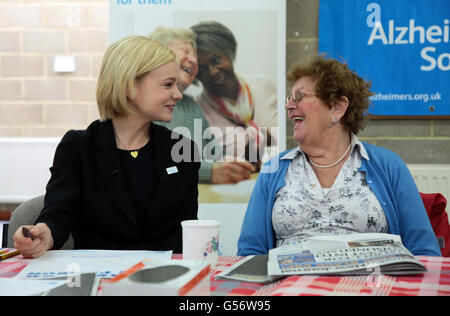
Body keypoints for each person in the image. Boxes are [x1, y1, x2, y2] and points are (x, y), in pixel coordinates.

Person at [13, 36, 200, 258]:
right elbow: (58, 214)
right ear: (130, 86)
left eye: (177, 85)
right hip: (96, 281)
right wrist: (44, 232)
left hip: (166, 281)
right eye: (168, 84)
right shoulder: (77, 148)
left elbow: (187, 230)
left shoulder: (183, 148)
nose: (178, 94)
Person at [237, 55, 441, 257]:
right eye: (289, 98)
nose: (288, 105)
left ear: (337, 107)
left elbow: (424, 252)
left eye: (299, 97)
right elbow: (250, 252)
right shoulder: (274, 169)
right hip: (291, 285)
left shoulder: (388, 166)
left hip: (368, 287)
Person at [149, 26, 255, 184]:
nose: (193, 60)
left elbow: (215, 154)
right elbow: (158, 166)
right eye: (186, 51)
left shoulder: (191, 106)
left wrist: (237, 163)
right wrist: (209, 171)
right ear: (160, 55)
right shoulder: (146, 104)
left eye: (195, 58)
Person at [191, 21, 278, 166]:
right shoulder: (197, 111)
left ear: (229, 53)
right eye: (202, 68)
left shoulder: (266, 86)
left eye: (216, 60)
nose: (213, 71)